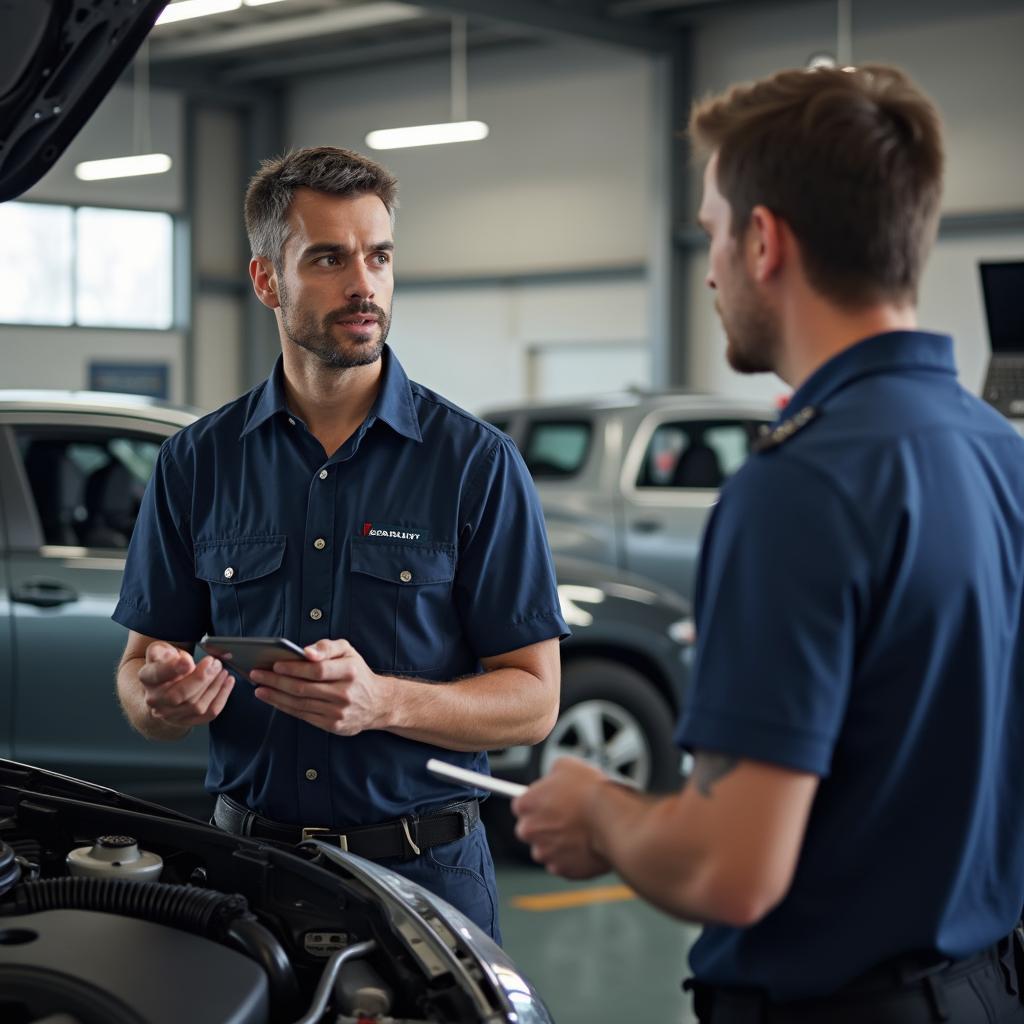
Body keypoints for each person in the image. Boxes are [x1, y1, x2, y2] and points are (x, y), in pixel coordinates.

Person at [513, 64, 1024, 1022]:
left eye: (710, 232)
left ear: (763, 239)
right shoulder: (1003, 454)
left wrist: (599, 812)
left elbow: (728, 866)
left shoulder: (798, 487)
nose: (708, 269)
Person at [113, 146, 569, 942]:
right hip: (243, 878)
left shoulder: (475, 465)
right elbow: (139, 676)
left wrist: (385, 701)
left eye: (379, 256)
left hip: (427, 883)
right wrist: (161, 700)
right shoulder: (196, 462)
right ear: (266, 281)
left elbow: (534, 700)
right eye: (328, 258)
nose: (364, 284)